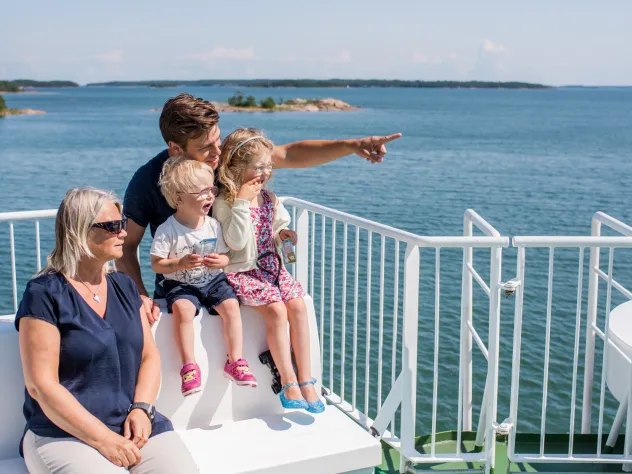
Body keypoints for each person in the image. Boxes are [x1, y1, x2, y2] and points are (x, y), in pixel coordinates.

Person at [119, 92, 401, 325]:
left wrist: (354, 145)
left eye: (218, 139)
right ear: (175, 148)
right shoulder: (147, 182)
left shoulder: (226, 158)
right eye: (206, 148)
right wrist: (140, 296)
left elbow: (288, 154)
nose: (218, 153)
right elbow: (127, 246)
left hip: (236, 283)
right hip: (182, 291)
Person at [15, 187, 198, 473]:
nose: (123, 233)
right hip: (64, 432)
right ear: (79, 231)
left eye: (122, 224)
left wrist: (142, 408)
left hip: (131, 423)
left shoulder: (125, 287)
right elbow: (41, 385)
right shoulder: (44, 294)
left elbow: (149, 356)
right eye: (112, 226)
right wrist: (103, 440)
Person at [213, 128, 324, 414]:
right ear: (236, 167)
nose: (265, 173)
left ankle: (306, 378)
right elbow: (235, 241)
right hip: (243, 272)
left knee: (297, 306)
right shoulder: (225, 203)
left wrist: (283, 234)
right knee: (276, 310)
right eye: (258, 167)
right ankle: (288, 381)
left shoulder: (270, 199)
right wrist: (240, 202)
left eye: (268, 166)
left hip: (271, 268)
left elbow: (275, 228)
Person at [150, 157, 256, 397]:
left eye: (212, 190)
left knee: (231, 306)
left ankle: (236, 360)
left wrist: (223, 261)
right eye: (203, 192)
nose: (210, 196)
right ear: (179, 198)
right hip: (181, 283)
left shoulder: (212, 225)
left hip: (213, 280)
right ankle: (189, 366)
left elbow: (225, 255)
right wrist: (178, 263)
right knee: (183, 311)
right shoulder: (168, 229)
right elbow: (156, 264)